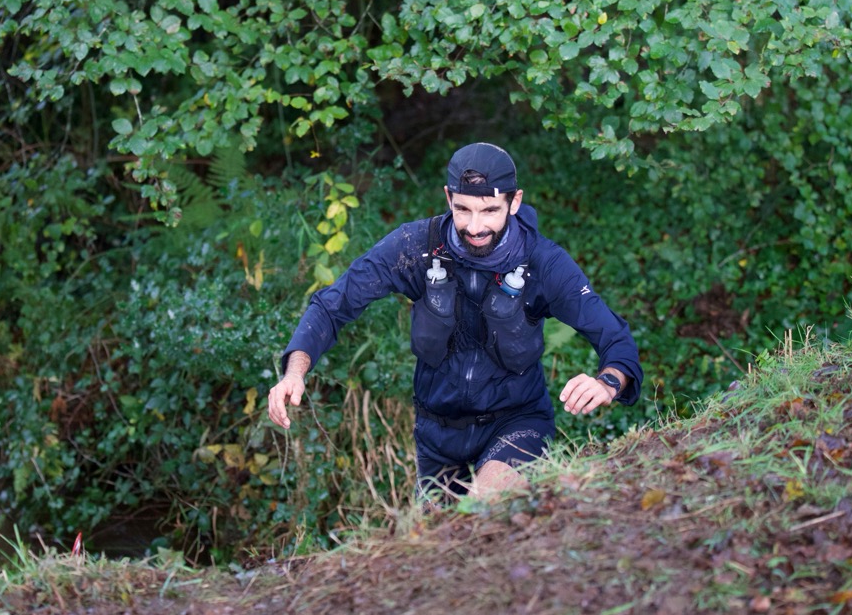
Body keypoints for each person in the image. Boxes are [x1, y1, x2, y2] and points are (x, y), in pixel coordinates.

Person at [268, 143, 643, 499]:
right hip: (437, 434)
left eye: (489, 211)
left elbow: (615, 338)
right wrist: (294, 373)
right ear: (448, 198)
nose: (475, 227)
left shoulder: (544, 264)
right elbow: (332, 304)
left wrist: (608, 382)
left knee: (483, 508)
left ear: (514, 202)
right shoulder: (416, 247)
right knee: (434, 538)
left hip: (516, 422)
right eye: (463, 209)